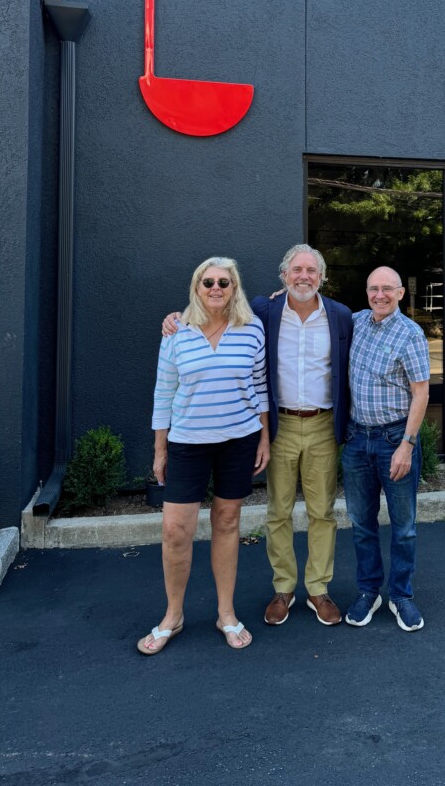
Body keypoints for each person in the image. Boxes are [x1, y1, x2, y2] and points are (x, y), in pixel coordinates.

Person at [163, 245, 352, 628]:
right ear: (283, 276)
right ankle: (283, 588)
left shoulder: (341, 316)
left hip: (321, 424)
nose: (304, 276)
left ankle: (318, 588)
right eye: (296, 270)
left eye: (311, 270)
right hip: (279, 425)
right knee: (278, 511)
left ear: (322, 276)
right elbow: (214, 312)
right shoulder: (263, 312)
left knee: (323, 513)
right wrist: (174, 319)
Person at [138, 257, 270, 655]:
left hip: (239, 440)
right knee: (175, 530)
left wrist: (264, 437)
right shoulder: (176, 330)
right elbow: (164, 391)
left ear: (235, 288)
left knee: (227, 522)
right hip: (187, 443)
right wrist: (160, 449)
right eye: (208, 281)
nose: (216, 288)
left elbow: (260, 386)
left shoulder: (252, 329)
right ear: (196, 287)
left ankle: (226, 614)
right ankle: (173, 616)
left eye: (224, 283)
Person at [343, 267, 430, 632]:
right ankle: (368, 592)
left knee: (404, 527)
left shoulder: (411, 334)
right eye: (373, 289)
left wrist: (406, 447)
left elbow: (421, 392)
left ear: (400, 294)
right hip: (356, 440)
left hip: (395, 439)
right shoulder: (355, 322)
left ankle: (401, 595)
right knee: (361, 524)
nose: (379, 295)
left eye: (386, 289)